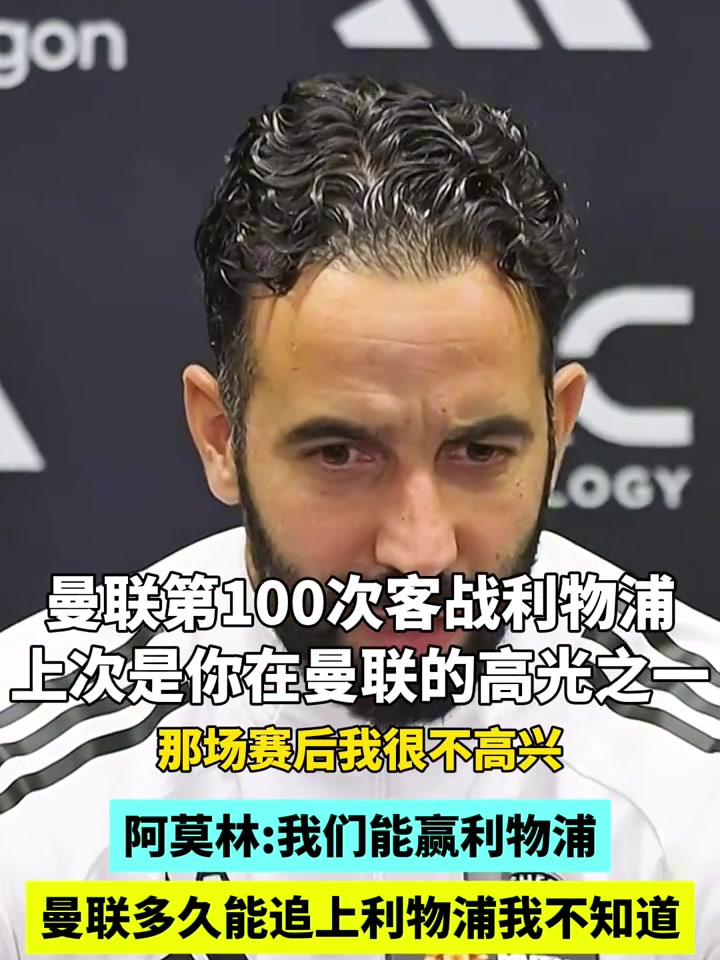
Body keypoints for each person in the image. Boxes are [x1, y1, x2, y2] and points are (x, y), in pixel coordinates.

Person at [0, 74, 718, 960]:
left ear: (559, 430)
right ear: (221, 437)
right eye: (342, 454)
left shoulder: (695, 781)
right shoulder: (33, 786)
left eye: (478, 452)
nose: (420, 551)